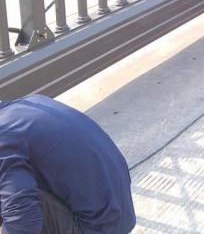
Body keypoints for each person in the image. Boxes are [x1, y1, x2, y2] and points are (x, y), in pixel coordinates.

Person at [0, 94, 136, 234]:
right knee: (10, 184)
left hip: (95, 227)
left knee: (19, 202)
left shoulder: (3, 134)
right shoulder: (33, 102)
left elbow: (23, 216)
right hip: (120, 215)